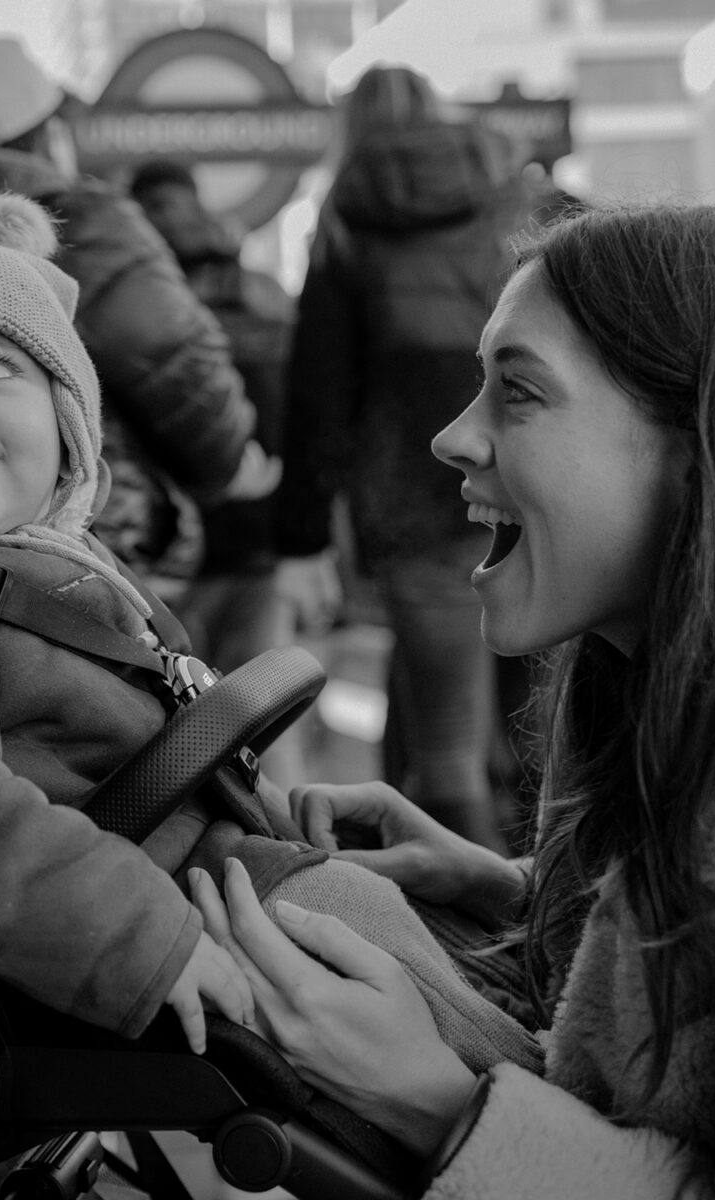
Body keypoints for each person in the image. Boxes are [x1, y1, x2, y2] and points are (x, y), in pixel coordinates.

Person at [0, 189, 544, 1077]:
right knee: (372, 935)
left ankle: (543, 1054)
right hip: (170, 913)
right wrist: (142, 941)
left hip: (220, 859)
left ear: (69, 414)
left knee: (429, 919)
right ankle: (541, 1111)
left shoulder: (45, 563)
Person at [193, 203, 715, 1195]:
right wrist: (506, 889)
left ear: (697, 447)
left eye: (518, 393)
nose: (454, 437)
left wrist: (434, 1101)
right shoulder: (681, 694)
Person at [0, 36, 278, 606]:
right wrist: (228, 461)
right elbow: (172, 352)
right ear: (47, 131)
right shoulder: (80, 215)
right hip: (93, 532)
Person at [274, 64, 536, 852]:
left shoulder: (347, 216)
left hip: (418, 498)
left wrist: (302, 536)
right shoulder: (510, 194)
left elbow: (320, 393)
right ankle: (554, 906)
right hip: (533, 481)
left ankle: (491, 931)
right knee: (542, 726)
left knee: (449, 741)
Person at [128, 158, 304, 789]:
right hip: (259, 536)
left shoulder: (135, 304)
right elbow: (301, 418)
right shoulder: (265, 291)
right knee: (266, 721)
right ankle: (298, 859)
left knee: (170, 733)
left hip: (170, 549)